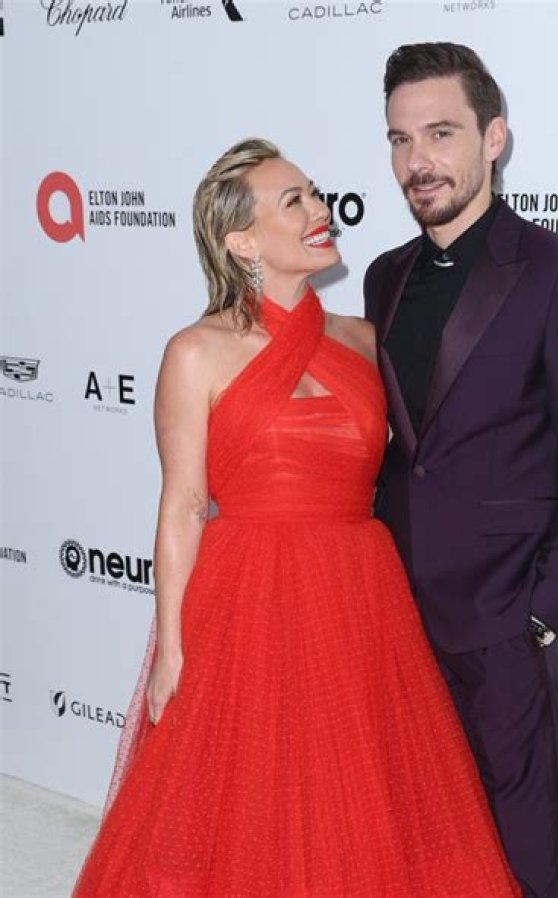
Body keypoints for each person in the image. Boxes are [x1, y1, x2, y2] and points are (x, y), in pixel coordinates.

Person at [72, 137, 520, 896]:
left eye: (314, 193)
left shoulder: (363, 339)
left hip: (357, 593)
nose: (320, 211)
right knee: (247, 793)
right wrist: (171, 647)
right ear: (241, 241)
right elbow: (183, 504)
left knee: (356, 791)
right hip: (247, 594)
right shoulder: (196, 352)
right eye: (294, 202)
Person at [364, 43, 558, 898]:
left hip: (504, 626)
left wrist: (547, 616)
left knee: (532, 860)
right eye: (401, 139)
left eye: (440, 133)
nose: (418, 161)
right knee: (421, 848)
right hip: (397, 621)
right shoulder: (384, 278)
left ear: (493, 138)